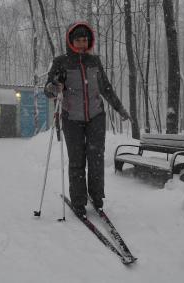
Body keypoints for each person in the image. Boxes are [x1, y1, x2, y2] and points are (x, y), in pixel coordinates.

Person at [44, 21, 131, 217]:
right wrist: (54, 85)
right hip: (71, 118)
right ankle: (78, 201)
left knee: (96, 159)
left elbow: (106, 88)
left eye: (85, 40)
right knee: (77, 160)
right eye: (78, 40)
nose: (82, 44)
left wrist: (120, 108)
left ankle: (97, 197)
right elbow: (48, 90)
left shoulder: (94, 61)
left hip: (96, 117)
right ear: (71, 40)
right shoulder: (61, 61)